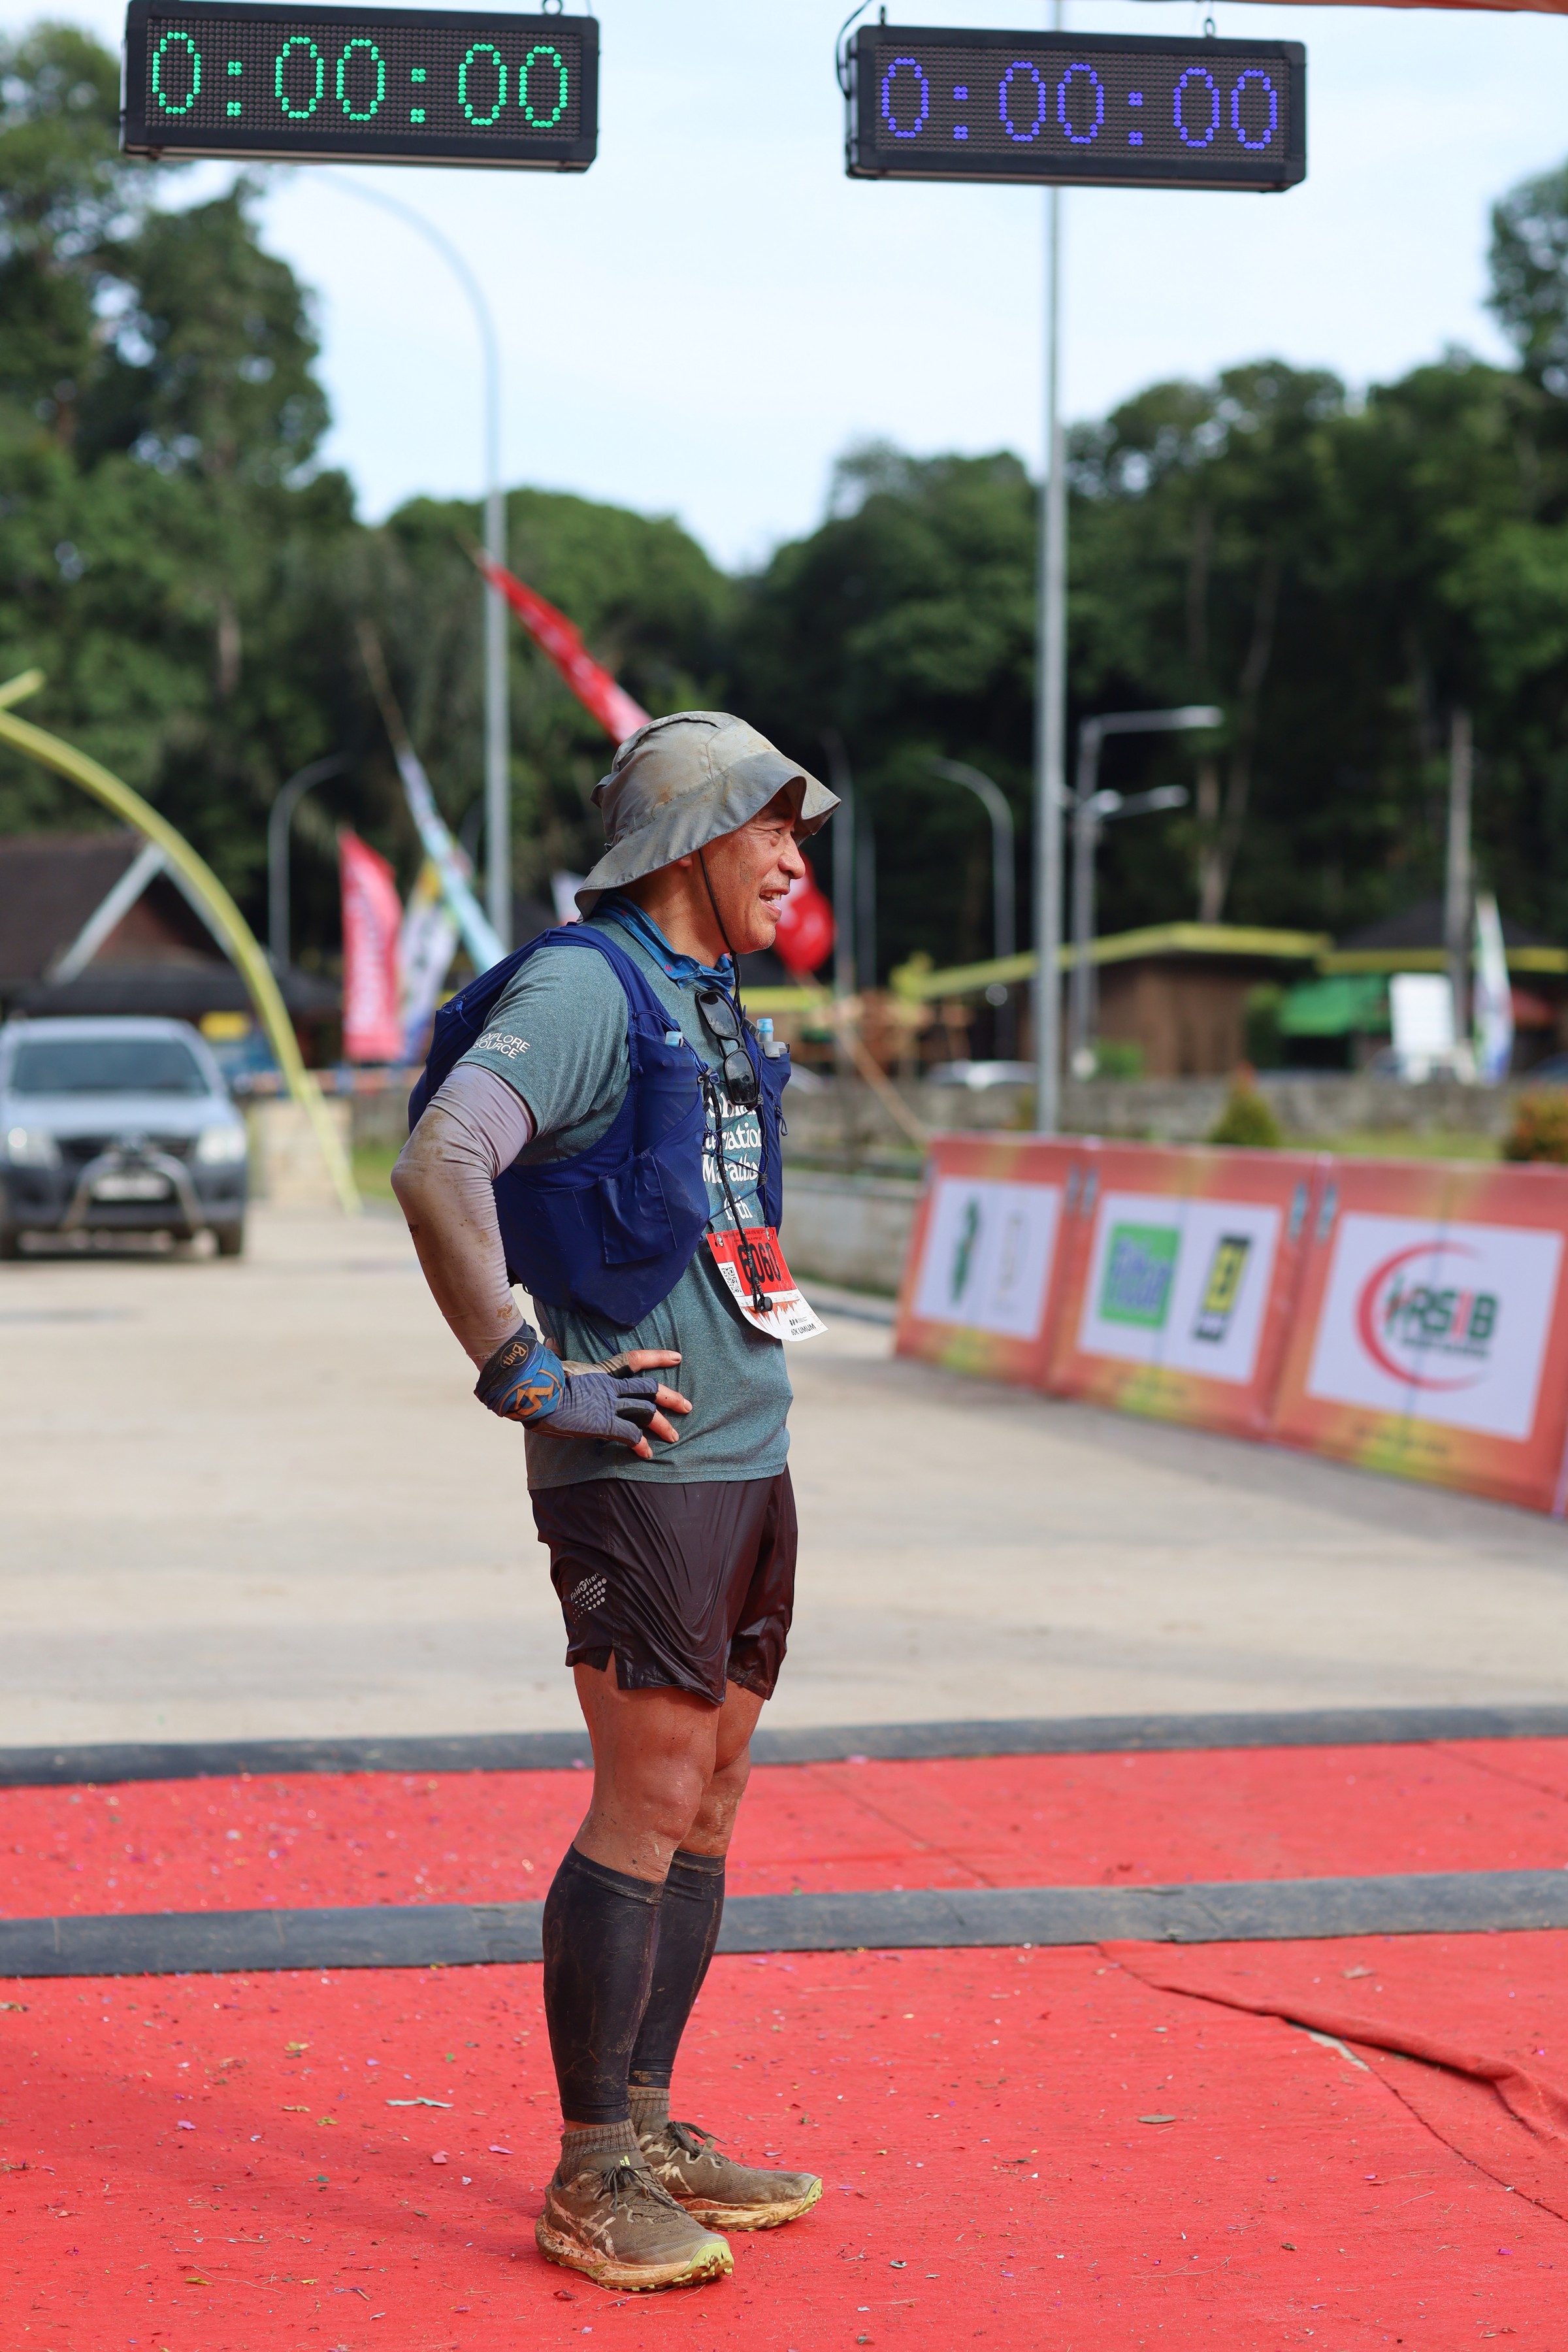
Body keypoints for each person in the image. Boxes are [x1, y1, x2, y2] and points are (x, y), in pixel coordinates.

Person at [391, 711, 839, 2294]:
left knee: (709, 1795)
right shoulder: (589, 987)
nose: (794, 861)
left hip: (743, 1452)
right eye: (773, 829)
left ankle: (648, 2129)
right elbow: (440, 1161)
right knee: (647, 1800)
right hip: (639, 1470)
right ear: (694, 842)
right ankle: (591, 2174)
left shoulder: (704, 995)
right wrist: (527, 1371)